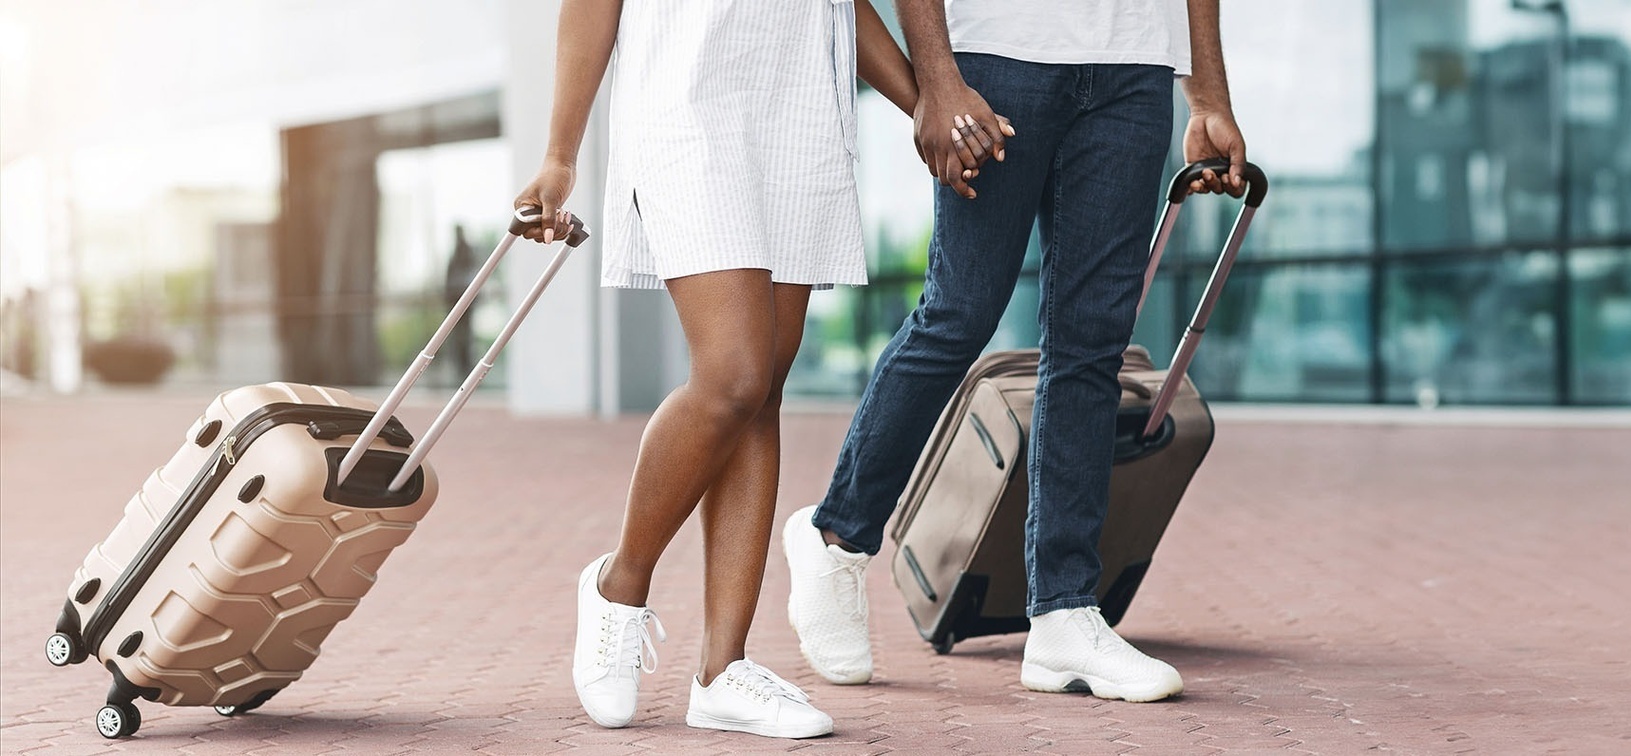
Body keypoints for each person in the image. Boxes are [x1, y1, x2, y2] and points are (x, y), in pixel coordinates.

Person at [782, 0, 1249, 703]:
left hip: (1134, 67)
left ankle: (1065, 612)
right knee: (959, 313)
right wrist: (937, 80)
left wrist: (1207, 95)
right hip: (998, 58)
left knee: (1092, 344)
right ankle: (837, 541)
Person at [511, 0, 942, 739]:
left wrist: (924, 104)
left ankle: (722, 670)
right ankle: (620, 584)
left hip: (801, 110)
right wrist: (559, 152)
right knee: (733, 375)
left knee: (761, 391)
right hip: (686, 107)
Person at [442, 224, 478, 378]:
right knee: (457, 336)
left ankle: (466, 366)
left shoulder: (466, 251)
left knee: (465, 335)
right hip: (455, 299)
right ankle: (460, 366)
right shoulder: (455, 252)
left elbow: (471, 274)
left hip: (464, 299)